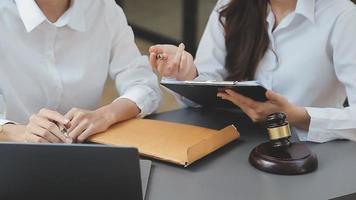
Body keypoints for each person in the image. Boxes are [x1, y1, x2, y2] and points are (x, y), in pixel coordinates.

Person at [149, 0, 356, 143]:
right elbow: (206, 90)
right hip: (234, 144)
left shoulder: (342, 16)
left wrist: (299, 116)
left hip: (312, 153)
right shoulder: (231, 5)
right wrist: (187, 74)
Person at [0, 0, 161, 143]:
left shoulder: (103, 8)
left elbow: (144, 86)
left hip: (85, 150)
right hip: (12, 153)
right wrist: (20, 132)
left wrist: (107, 114)